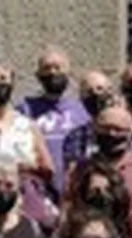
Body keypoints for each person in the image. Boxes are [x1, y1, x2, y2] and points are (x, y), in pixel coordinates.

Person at [0, 58, 58, 215]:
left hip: (26, 200)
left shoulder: (27, 125)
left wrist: (26, 168)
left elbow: (49, 169)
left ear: (12, 84)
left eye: (3, 78)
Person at [63, 71, 132, 175]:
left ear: (111, 91)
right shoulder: (77, 135)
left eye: (100, 89)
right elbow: (72, 174)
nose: (96, 94)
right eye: (89, 92)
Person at [19, 46, 89, 194]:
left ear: (69, 73)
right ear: (38, 75)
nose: (52, 72)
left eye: (58, 67)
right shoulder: (25, 109)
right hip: (37, 190)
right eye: (47, 68)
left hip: (74, 189)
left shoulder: (82, 110)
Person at [66, 107, 132, 206]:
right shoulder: (79, 169)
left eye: (119, 129)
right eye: (105, 129)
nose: (112, 134)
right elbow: (68, 204)